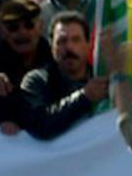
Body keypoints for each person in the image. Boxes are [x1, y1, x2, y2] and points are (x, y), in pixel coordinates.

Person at [19, 11, 107, 140]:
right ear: (51, 45)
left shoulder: (102, 79)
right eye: (62, 41)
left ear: (89, 44)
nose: (69, 47)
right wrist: (85, 97)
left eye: (76, 40)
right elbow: (39, 124)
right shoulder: (37, 81)